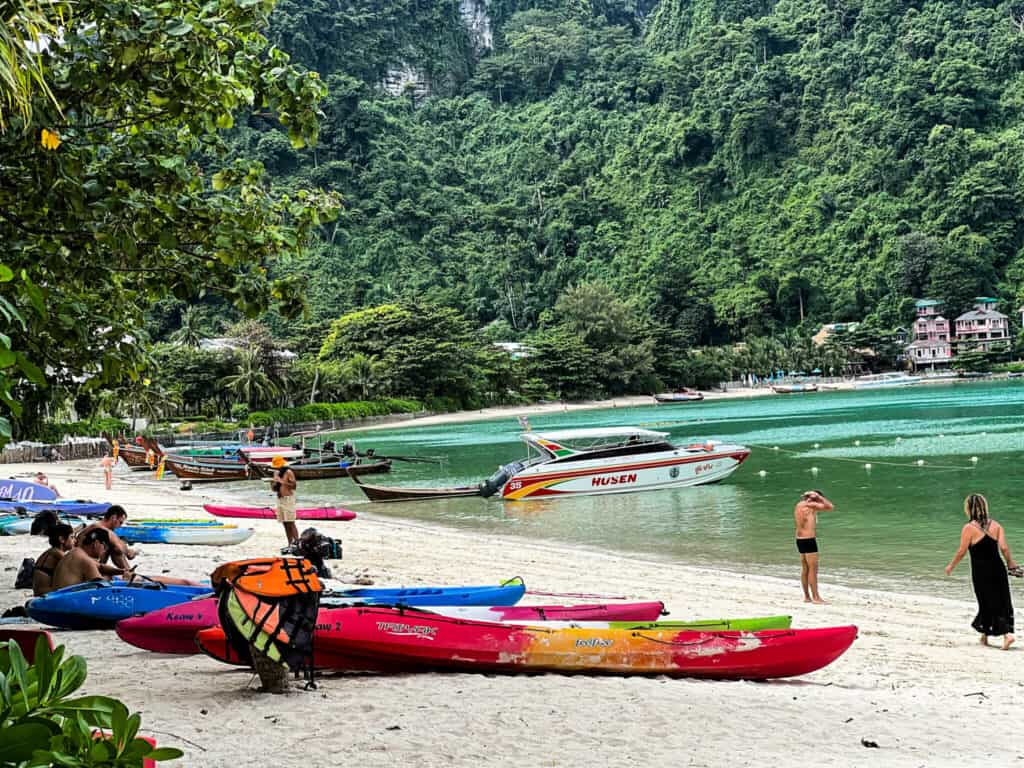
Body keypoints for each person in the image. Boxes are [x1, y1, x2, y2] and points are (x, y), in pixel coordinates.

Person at [945, 493, 1017, 651]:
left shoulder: (969, 528)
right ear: (985, 507)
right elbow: (1004, 548)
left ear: (968, 509)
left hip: (981, 571)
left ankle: (1007, 635)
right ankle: (985, 636)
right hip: (998, 569)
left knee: (986, 601)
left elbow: (962, 551)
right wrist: (1011, 563)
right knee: (1002, 600)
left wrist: (951, 566)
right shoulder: (997, 526)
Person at [794, 489, 834, 604]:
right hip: (808, 540)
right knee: (813, 569)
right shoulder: (810, 505)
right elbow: (830, 506)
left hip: (799, 539)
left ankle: (807, 597)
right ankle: (816, 598)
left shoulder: (799, 505)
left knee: (805, 568)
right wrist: (818, 497)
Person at [51, 528, 126, 590]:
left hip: (59, 597)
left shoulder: (76, 552)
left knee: (108, 575)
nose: (104, 551)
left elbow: (100, 566)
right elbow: (103, 587)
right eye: (105, 547)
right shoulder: (86, 560)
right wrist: (125, 579)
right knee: (108, 577)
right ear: (96, 543)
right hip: (66, 601)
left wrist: (122, 571)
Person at [77, 505, 136, 572]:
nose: (120, 526)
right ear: (113, 518)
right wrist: (129, 552)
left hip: (87, 564)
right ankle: (129, 572)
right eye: (120, 522)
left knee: (115, 548)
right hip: (87, 567)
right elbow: (120, 548)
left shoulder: (93, 526)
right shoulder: (103, 529)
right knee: (116, 549)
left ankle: (129, 572)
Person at [32, 522, 76, 596]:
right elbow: (74, 566)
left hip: (40, 592)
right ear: (61, 539)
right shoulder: (57, 553)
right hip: (45, 594)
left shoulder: (51, 551)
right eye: (72, 537)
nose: (75, 540)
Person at [270, 455, 298, 545]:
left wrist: (281, 481)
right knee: (285, 523)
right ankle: (290, 543)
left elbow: (294, 486)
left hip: (288, 499)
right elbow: (274, 489)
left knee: (290, 522)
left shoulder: (288, 472)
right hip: (280, 499)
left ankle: (297, 543)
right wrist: (272, 482)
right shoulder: (276, 473)